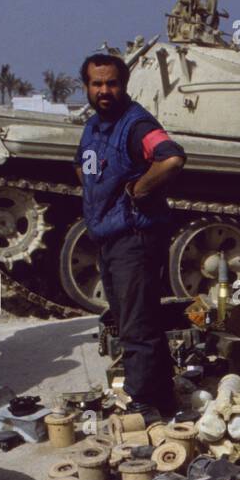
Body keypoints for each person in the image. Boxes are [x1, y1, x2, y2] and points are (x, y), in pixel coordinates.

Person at [74, 53, 185, 421]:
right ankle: (163, 398)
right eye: (97, 84)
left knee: (136, 326)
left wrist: (139, 189)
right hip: (109, 237)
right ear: (87, 87)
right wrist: (99, 198)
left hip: (134, 239)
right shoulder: (94, 126)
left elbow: (170, 158)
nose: (104, 90)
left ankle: (142, 406)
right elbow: (83, 166)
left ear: (123, 85)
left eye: (112, 83)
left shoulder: (136, 124)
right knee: (132, 320)